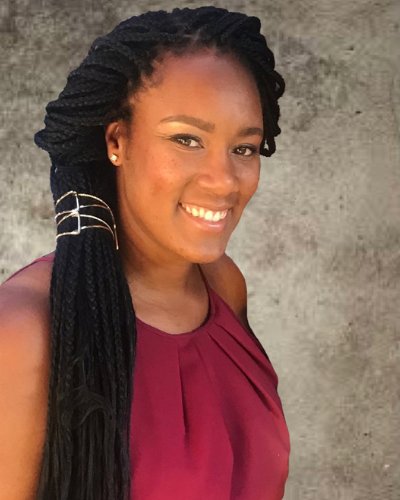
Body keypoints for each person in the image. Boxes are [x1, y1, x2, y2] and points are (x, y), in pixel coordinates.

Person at [0, 6, 290, 500]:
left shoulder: (222, 285)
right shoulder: (24, 333)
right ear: (117, 140)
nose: (224, 181)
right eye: (187, 139)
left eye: (243, 148)